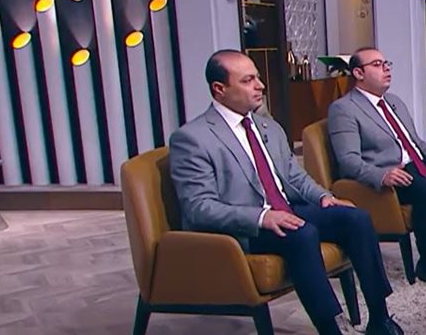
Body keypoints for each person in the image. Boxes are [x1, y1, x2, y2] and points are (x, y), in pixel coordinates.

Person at [169, 50, 404, 335]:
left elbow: (294, 177)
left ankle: (379, 318)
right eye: (247, 81)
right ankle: (330, 328)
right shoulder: (193, 138)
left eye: (257, 78)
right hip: (244, 227)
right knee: (302, 234)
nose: (260, 86)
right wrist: (262, 217)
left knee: (355, 218)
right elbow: (199, 207)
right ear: (220, 89)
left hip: (285, 210)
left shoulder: (267, 126)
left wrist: (324, 198)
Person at [327, 47, 426, 287]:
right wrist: (382, 175)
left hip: (419, 165)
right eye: (377, 65)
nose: (386, 69)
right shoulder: (344, 109)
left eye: (386, 63)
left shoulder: (393, 102)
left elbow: (417, 144)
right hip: (391, 175)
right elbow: (348, 160)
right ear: (358, 73)